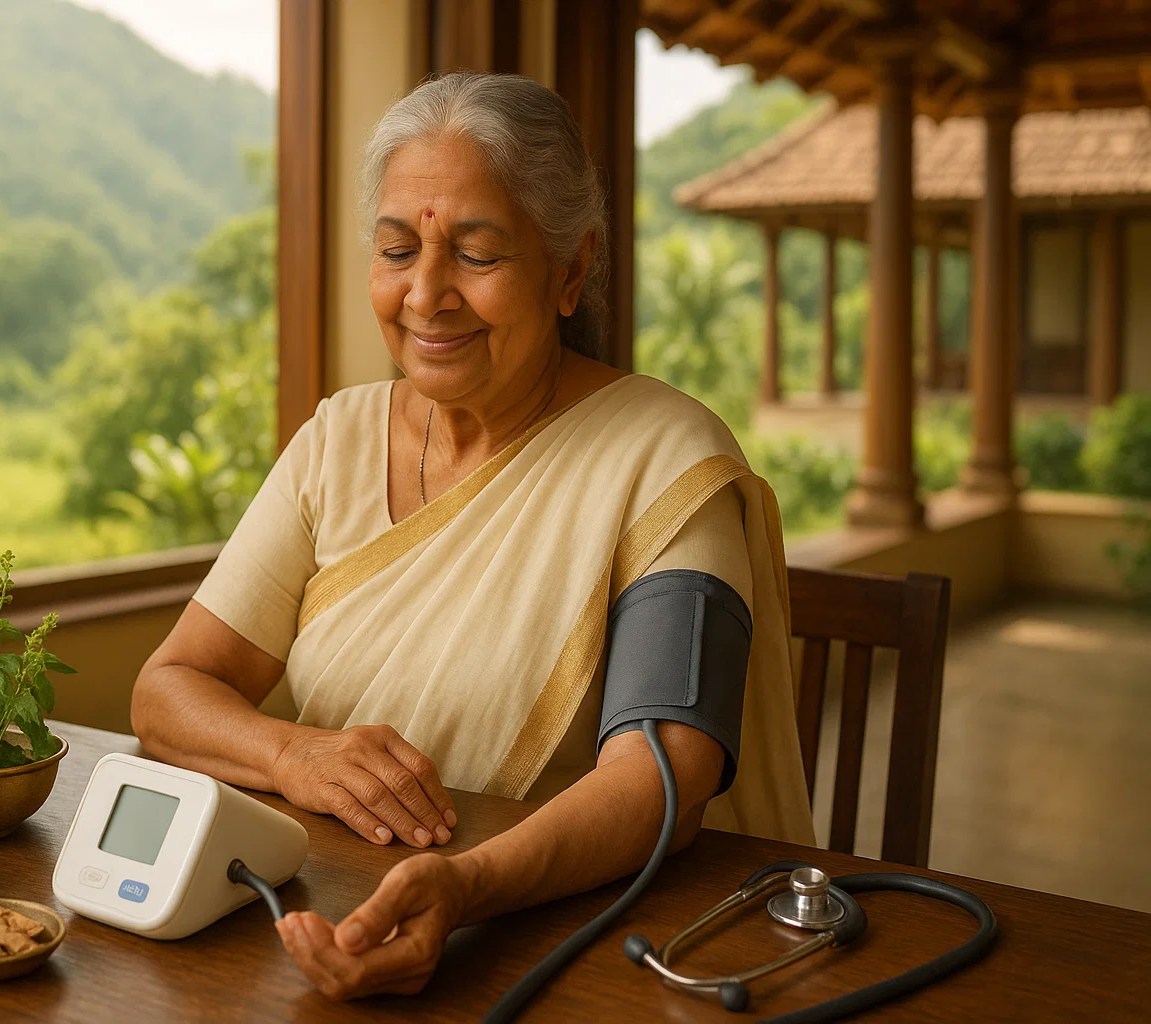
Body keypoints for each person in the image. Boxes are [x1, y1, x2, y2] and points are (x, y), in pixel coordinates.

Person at [130, 71, 814, 1000]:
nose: (426, 295)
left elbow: (667, 773)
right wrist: (295, 754)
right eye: (397, 248)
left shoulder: (665, 458)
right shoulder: (338, 437)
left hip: (569, 941)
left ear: (571, 269)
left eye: (477, 255)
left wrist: (471, 886)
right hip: (325, 914)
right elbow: (170, 690)